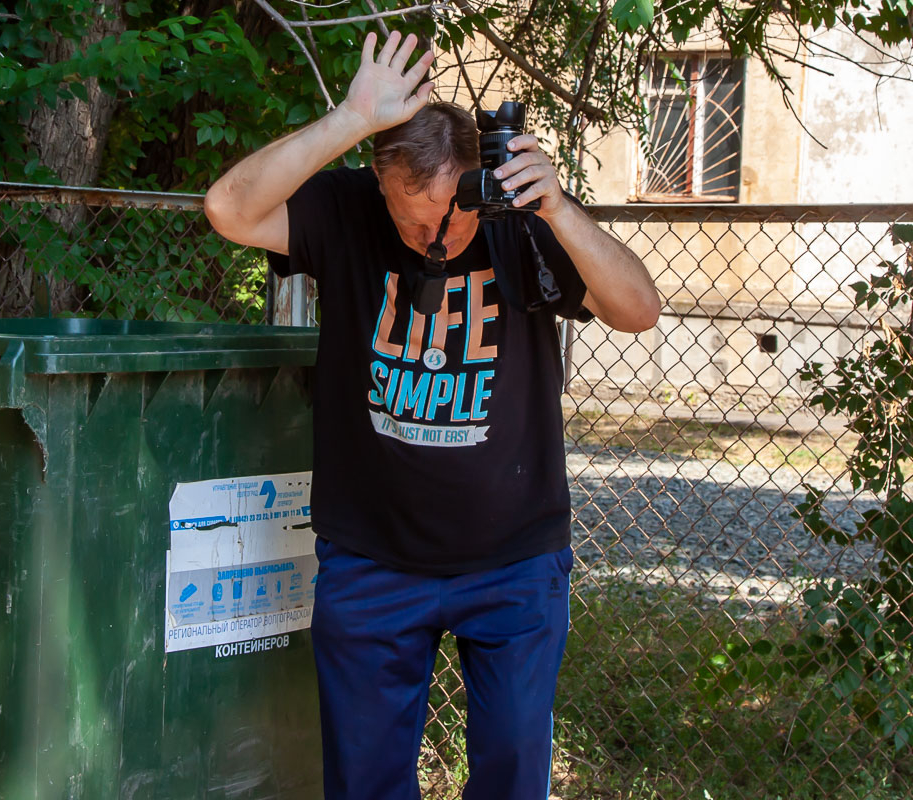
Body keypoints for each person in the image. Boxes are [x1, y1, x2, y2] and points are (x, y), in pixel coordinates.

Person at [204, 30, 660, 800]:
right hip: (372, 557)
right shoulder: (349, 211)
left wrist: (559, 208)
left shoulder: (518, 222)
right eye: (411, 219)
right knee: (365, 783)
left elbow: (639, 310)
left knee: (514, 776)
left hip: (513, 561)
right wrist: (350, 118)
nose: (433, 238)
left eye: (450, 216)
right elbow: (227, 208)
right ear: (378, 184)